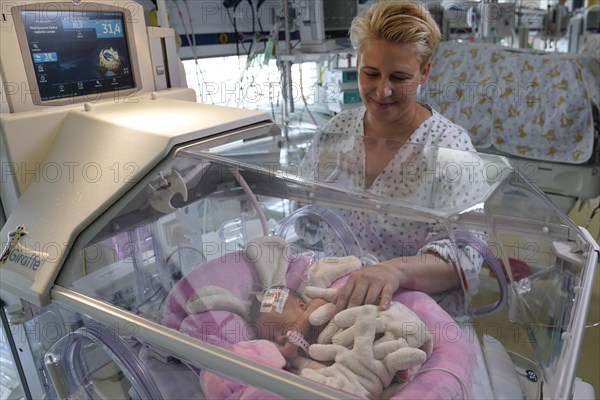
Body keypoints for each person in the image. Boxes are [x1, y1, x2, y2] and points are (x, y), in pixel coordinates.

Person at [300, 0, 487, 316]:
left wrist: (395, 272)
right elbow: (304, 226)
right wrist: (315, 188)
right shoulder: (338, 132)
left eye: (399, 78)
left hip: (413, 318)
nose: (382, 91)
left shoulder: (450, 148)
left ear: (424, 72)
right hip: (336, 307)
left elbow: (463, 259)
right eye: (370, 73)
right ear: (358, 61)